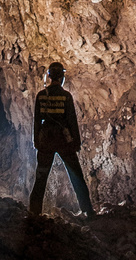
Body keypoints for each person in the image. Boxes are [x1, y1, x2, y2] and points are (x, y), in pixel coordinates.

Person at [28, 62, 95, 218]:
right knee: (76, 176)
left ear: (49, 76)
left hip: (45, 140)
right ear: (62, 76)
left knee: (41, 178)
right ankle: (88, 211)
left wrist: (37, 141)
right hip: (64, 141)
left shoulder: (41, 96)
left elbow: (37, 121)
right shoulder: (66, 96)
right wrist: (75, 143)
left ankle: (33, 211)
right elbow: (72, 120)